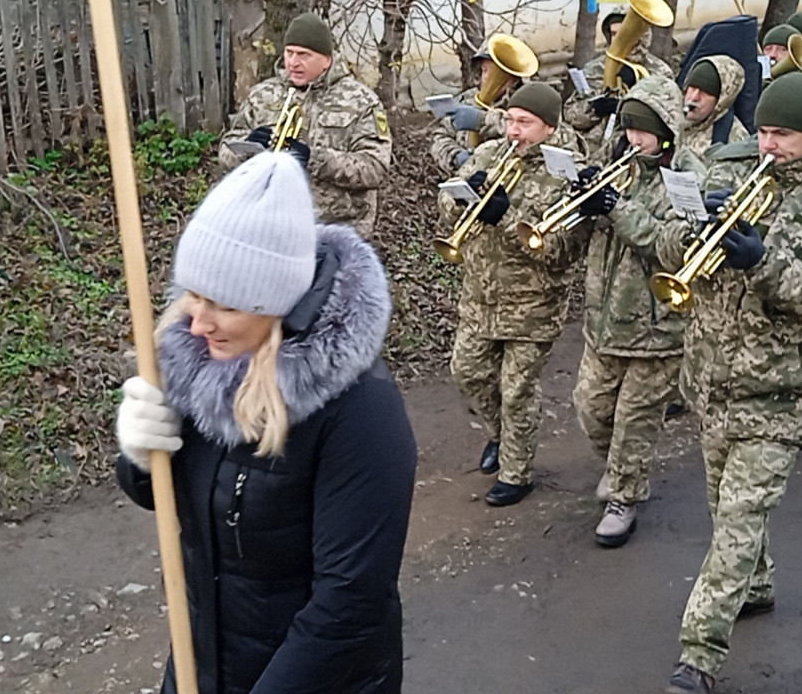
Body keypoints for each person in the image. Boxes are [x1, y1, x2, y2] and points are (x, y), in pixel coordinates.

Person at [114, 150, 417, 694]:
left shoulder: (361, 410)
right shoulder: (201, 359)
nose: (199, 323)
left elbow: (349, 602)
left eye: (223, 305)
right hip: (206, 663)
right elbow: (184, 503)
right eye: (194, 296)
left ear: (276, 300)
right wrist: (140, 459)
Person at [657, 74, 802, 694]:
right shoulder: (728, 165)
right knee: (721, 503)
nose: (767, 145)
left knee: (738, 515)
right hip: (714, 375)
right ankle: (755, 588)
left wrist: (765, 263)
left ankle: (697, 656)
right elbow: (663, 241)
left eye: (782, 135)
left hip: (787, 390)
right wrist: (688, 232)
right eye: (762, 131)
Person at [573, 76, 705, 547]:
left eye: (642, 131)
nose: (632, 139)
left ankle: (624, 497)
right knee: (590, 409)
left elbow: (674, 246)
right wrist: (586, 205)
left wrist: (617, 209)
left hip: (657, 328)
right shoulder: (621, 166)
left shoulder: (688, 176)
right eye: (628, 128)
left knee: (635, 420)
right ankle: (619, 467)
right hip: (604, 319)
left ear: (666, 129)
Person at [442, 82, 588, 507]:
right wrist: (464, 201)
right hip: (481, 297)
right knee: (467, 372)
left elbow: (564, 251)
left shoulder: (567, 172)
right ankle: (501, 436)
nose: (513, 131)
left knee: (517, 389)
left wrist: (507, 218)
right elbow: (446, 198)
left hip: (533, 305)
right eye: (509, 120)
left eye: (524, 123)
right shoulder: (489, 153)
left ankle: (516, 471)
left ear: (549, 128)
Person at [218, 12, 392, 239]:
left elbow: (375, 168)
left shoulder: (361, 101)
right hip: (270, 229)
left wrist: (313, 158)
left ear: (327, 60)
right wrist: (248, 150)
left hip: (335, 234)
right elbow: (225, 153)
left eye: (304, 55)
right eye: (289, 53)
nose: (293, 62)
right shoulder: (263, 95)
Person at [564, 14, 675, 154]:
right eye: (613, 34)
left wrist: (636, 90)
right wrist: (594, 109)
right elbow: (570, 115)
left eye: (623, 33)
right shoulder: (595, 68)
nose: (617, 39)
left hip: (636, 148)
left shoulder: (660, 71)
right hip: (592, 150)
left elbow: (670, 119)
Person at [428, 42, 526, 177]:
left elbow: (530, 136)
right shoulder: (466, 100)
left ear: (513, 77)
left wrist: (483, 120)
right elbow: (439, 136)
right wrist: (455, 157)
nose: (486, 77)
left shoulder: (526, 105)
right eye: (484, 70)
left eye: (495, 72)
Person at [678, 55, 750, 155]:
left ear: (721, 100)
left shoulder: (735, 139)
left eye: (706, 92)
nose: (694, 97)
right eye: (692, 88)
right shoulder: (669, 119)